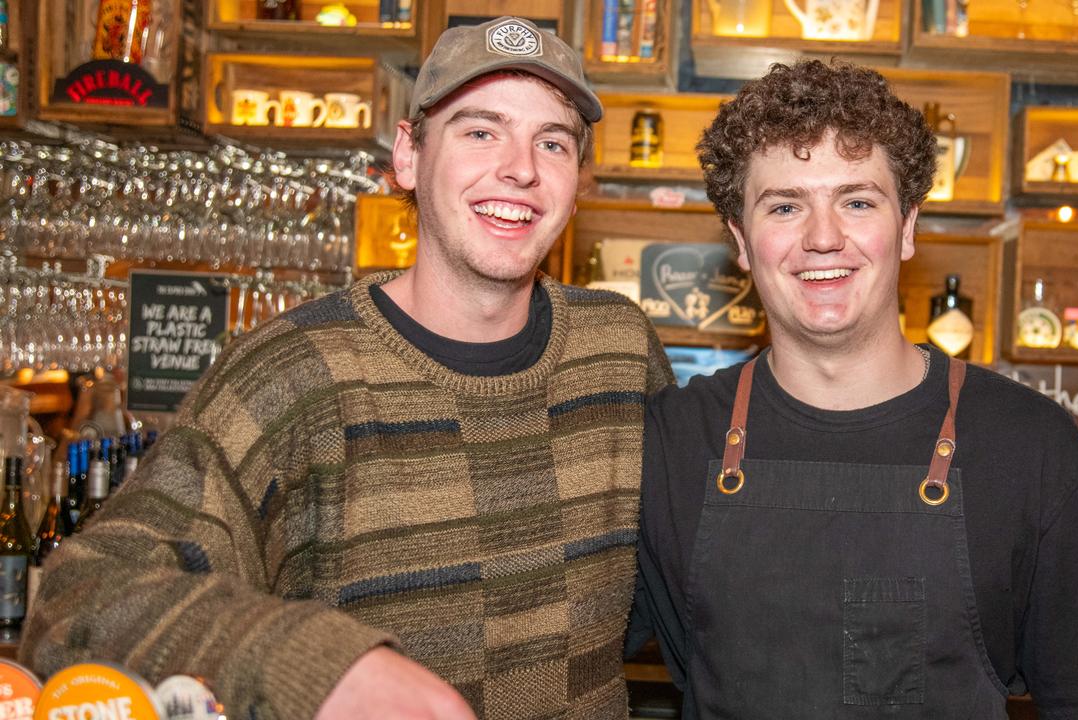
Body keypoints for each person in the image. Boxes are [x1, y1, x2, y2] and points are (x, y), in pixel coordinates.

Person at [23, 16, 672, 720]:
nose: (521, 166)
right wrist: (320, 665)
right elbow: (76, 601)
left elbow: (673, 583)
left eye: (553, 141)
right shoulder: (294, 373)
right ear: (408, 156)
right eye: (479, 131)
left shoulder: (621, 349)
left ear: (578, 180)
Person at [628, 60, 1078, 719]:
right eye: (786, 206)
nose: (824, 238)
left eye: (856, 201)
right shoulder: (670, 443)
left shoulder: (1032, 448)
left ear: (907, 226)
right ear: (741, 240)